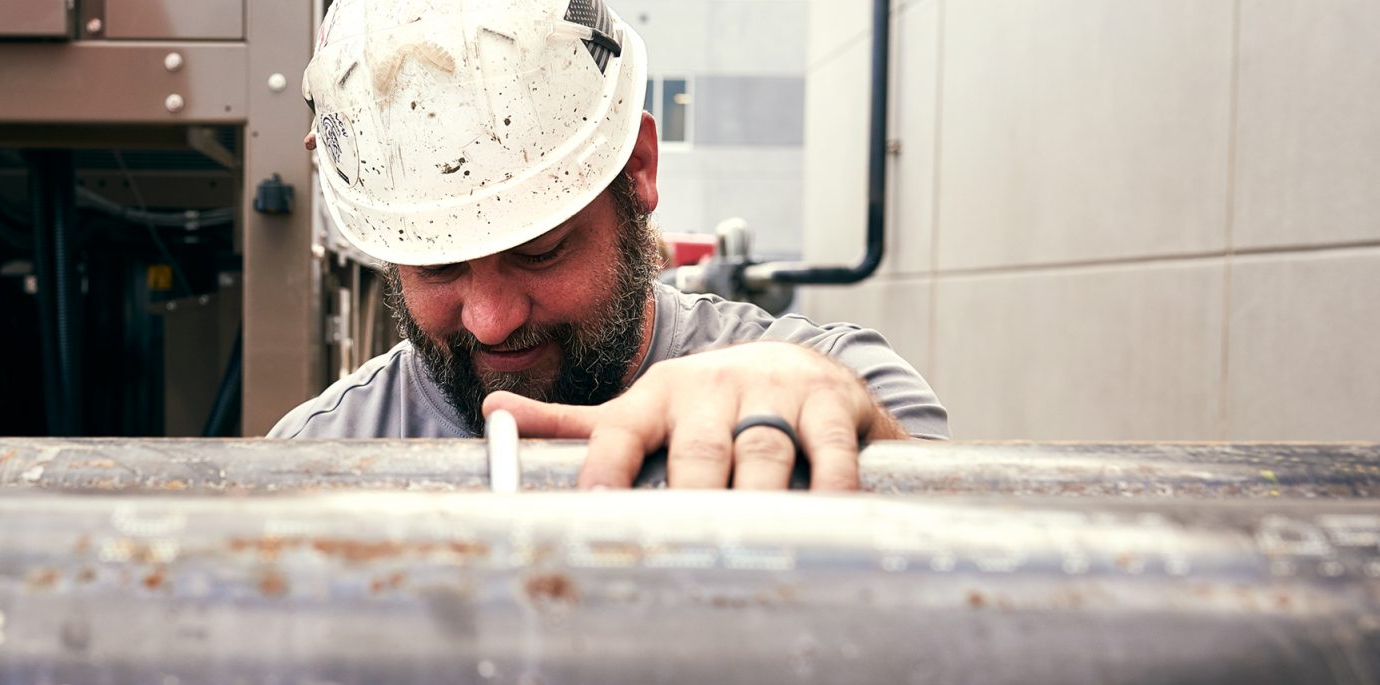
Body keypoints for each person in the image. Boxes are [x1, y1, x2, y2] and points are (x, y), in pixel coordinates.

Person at [272, 0, 948, 491]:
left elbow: (969, 549)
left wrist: (829, 409)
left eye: (540, 252)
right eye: (438, 266)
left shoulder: (826, 382)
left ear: (640, 170)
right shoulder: (318, 457)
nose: (491, 319)